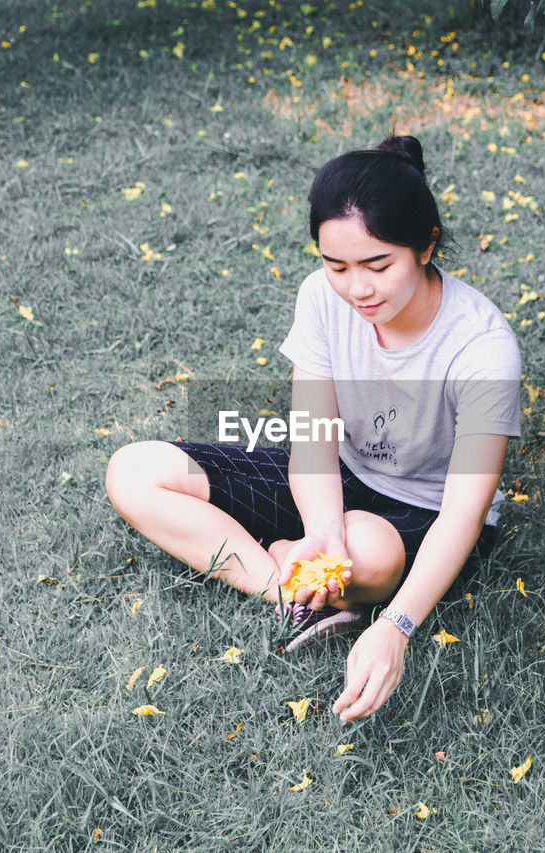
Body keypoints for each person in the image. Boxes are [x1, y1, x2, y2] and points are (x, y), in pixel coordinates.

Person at [104, 135, 521, 722]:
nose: (357, 288)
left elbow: (462, 514)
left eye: (379, 265)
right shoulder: (321, 299)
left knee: (369, 553)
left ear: (426, 247)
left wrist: (396, 628)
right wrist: (323, 530)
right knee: (136, 470)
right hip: (336, 479)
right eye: (337, 266)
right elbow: (314, 438)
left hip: (424, 512)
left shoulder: (482, 347)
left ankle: (309, 568)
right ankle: (287, 588)